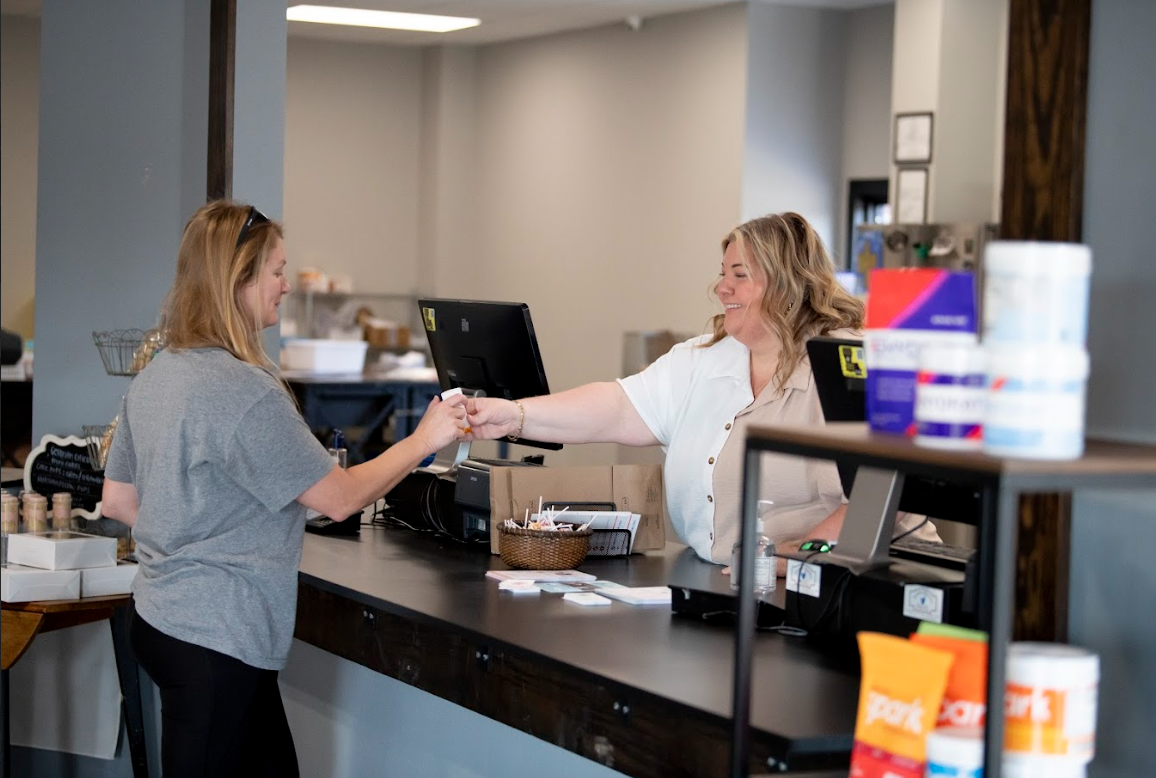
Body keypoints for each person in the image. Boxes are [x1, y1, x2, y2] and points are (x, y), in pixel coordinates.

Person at [101, 200, 470, 777]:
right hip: (215, 640)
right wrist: (426, 438)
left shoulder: (158, 374)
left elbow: (118, 502)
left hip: (159, 619)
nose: (286, 285)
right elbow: (341, 498)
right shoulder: (245, 391)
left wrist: (200, 517)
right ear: (238, 281)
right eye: (276, 271)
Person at [467, 211, 932, 565]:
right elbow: (618, 407)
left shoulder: (848, 365)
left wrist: (798, 555)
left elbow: (883, 495)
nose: (721, 287)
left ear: (788, 284)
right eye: (722, 272)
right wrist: (515, 414)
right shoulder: (706, 359)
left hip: (850, 584)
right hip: (737, 581)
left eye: (739, 275)